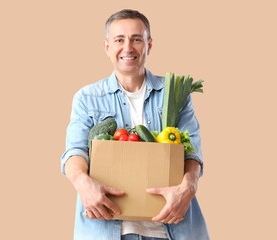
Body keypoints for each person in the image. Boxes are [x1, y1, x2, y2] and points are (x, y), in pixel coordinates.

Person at [61, 9, 210, 240]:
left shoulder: (174, 93)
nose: (128, 48)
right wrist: (82, 183)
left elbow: (193, 153)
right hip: (107, 229)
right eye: (119, 40)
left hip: (170, 227)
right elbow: (74, 152)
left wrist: (188, 186)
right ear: (107, 47)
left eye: (136, 39)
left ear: (149, 45)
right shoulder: (87, 97)